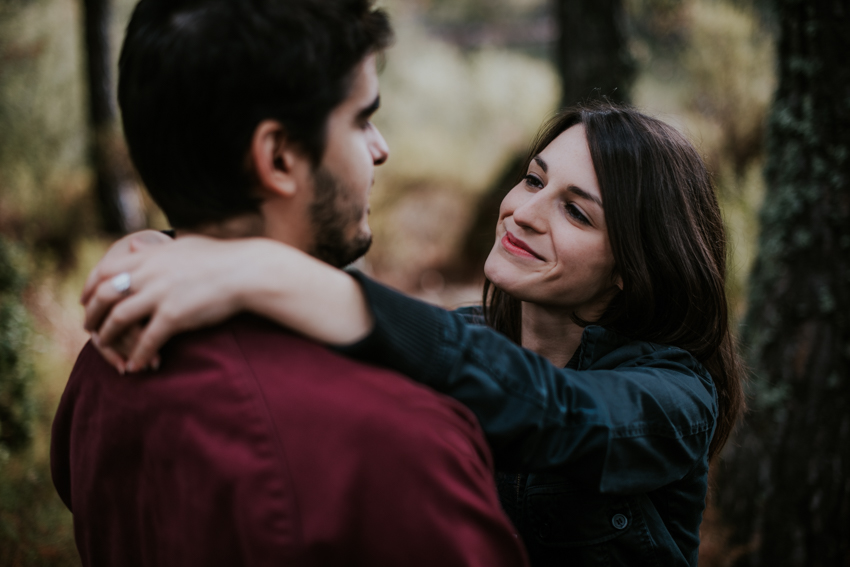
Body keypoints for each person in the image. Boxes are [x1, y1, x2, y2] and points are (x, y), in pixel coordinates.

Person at [82, 101, 747, 566]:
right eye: (533, 179)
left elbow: (553, 411)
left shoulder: (675, 397)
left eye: (576, 211)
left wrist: (297, 279)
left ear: (633, 266)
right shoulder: (467, 336)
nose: (522, 212)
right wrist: (170, 249)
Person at [50, 1, 531, 566]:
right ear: (279, 157)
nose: (381, 148)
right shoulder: (398, 445)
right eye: (360, 119)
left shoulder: (103, 364)